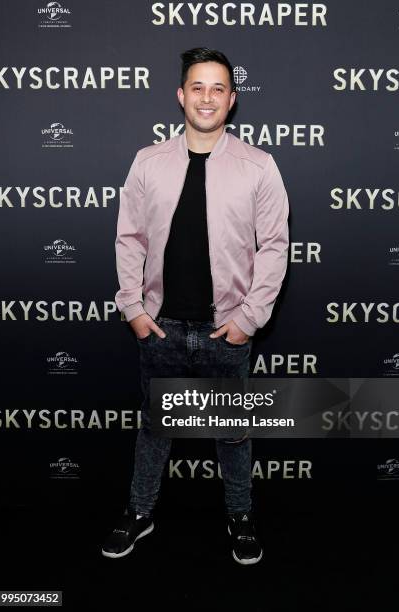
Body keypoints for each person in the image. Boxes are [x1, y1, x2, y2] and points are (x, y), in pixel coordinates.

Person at [102, 47, 290, 565]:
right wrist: (134, 310)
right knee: (154, 430)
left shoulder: (259, 167)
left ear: (231, 100)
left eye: (218, 89)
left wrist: (248, 320)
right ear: (181, 95)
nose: (207, 97)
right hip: (159, 327)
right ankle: (140, 512)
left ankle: (240, 515)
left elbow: (275, 248)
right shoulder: (148, 162)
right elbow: (129, 239)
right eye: (198, 87)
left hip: (224, 330)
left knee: (232, 432)